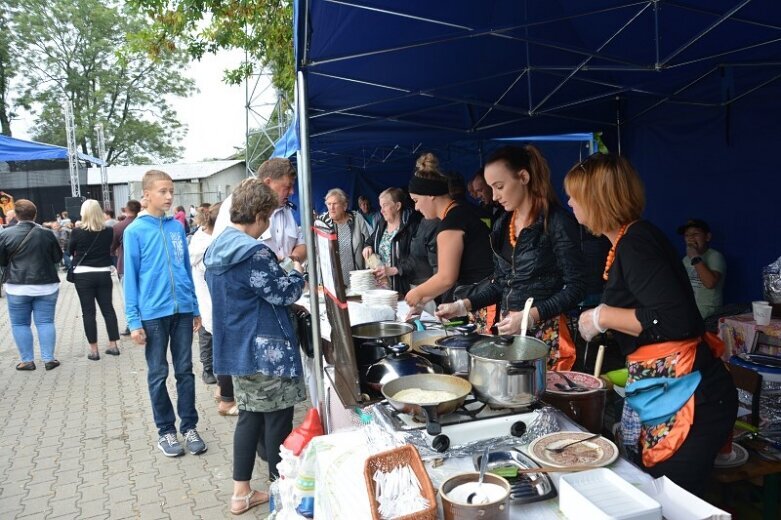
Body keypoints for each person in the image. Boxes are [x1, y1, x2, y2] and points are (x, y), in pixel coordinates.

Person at [565, 153, 737, 493]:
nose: (570, 203)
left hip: (692, 398)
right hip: (671, 390)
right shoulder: (630, 240)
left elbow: (675, 321)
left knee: (677, 500)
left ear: (596, 199)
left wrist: (602, 316)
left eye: (575, 196)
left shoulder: (636, 243)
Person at [204, 178, 307, 515]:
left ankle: (241, 493)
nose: (267, 228)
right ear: (261, 214)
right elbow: (284, 293)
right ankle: (282, 492)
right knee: (277, 421)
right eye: (269, 218)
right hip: (267, 350)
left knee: (249, 419)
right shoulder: (253, 252)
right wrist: (297, 269)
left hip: (237, 346)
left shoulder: (217, 247)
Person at [437, 145, 587, 369]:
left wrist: (531, 316)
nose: (494, 196)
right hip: (510, 330)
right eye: (491, 188)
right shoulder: (502, 223)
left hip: (548, 335)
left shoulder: (556, 222)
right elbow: (501, 283)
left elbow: (576, 287)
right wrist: (464, 305)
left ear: (524, 177)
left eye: (499, 186)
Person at [124, 170, 206, 458]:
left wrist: (194, 307)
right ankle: (166, 431)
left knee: (185, 371)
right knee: (158, 373)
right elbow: (129, 278)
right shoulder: (134, 231)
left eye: (171, 190)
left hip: (182, 310)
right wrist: (134, 320)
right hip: (153, 314)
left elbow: (185, 269)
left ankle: (190, 427)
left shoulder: (176, 228)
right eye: (163, 191)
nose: (169, 196)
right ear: (146, 195)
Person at [404, 153, 493, 315]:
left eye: (416, 200)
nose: (416, 208)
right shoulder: (462, 211)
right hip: (483, 295)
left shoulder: (450, 225)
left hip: (480, 302)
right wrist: (424, 299)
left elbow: (446, 278)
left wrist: (416, 293)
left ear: (430, 194)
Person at [0, 199, 63, 370]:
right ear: (35, 214)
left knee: (20, 324)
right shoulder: (47, 233)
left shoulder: (5, 234)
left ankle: (27, 361)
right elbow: (57, 258)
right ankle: (49, 359)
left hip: (17, 285)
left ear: (16, 214)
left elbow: (2, 261)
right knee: (45, 322)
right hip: (46, 285)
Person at [213, 158, 306, 264]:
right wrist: (269, 265)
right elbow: (223, 256)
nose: (292, 192)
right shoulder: (238, 204)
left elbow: (301, 243)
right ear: (268, 183)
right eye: (287, 187)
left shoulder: (286, 207)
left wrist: (292, 260)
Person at [69, 200, 121, 360]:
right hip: (103, 273)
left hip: (83, 275)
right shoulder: (108, 231)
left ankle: (94, 350)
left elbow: (70, 250)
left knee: (88, 312)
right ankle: (113, 345)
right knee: (108, 310)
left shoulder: (77, 232)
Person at [361, 188, 421, 296]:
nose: (381, 210)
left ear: (398, 206)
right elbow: (371, 240)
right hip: (382, 289)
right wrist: (367, 246)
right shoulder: (381, 224)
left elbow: (417, 258)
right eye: (380, 206)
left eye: (385, 205)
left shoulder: (411, 227)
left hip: (405, 289)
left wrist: (394, 270)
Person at [677, 219, 725, 319]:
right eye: (687, 235)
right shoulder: (685, 259)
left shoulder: (714, 256)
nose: (690, 238)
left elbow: (710, 283)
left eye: (695, 234)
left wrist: (695, 257)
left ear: (707, 237)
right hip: (689, 310)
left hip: (708, 313)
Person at [318, 188, 370, 278]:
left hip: (356, 279)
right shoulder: (322, 222)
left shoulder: (357, 218)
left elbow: (368, 240)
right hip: (331, 280)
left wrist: (368, 246)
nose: (331, 207)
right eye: (328, 204)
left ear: (345, 205)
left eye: (335, 204)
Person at [112, 199, 141, 336]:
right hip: (144, 267)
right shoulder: (143, 224)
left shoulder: (119, 227)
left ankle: (132, 324)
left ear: (126, 210)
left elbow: (111, 248)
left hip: (124, 266)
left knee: (129, 296)